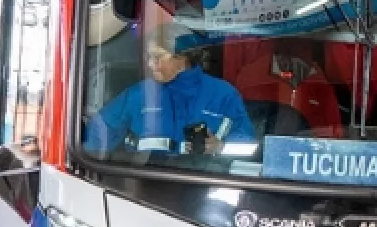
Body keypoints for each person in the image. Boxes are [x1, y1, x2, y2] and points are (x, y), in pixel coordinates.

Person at [84, 24, 255, 159]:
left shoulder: (224, 95)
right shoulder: (139, 94)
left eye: (157, 57)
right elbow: (100, 128)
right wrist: (91, 166)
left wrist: (221, 147)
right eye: (149, 57)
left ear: (183, 57)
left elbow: (249, 147)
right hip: (143, 182)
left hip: (205, 182)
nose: (150, 64)